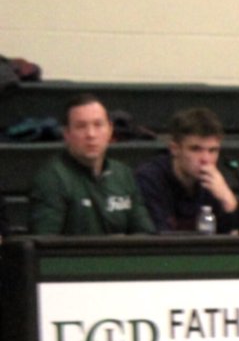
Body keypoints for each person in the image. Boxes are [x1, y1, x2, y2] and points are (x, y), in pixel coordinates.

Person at [28, 93, 154, 235]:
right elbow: (45, 246)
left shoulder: (123, 174)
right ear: (67, 134)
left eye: (98, 125)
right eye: (81, 126)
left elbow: (145, 235)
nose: (91, 134)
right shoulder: (51, 179)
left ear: (110, 130)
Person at [135, 107, 239, 233]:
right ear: (175, 149)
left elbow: (231, 239)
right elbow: (159, 239)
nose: (206, 159)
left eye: (213, 150)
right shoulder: (149, 180)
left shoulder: (215, 184)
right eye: (195, 149)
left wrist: (228, 201)